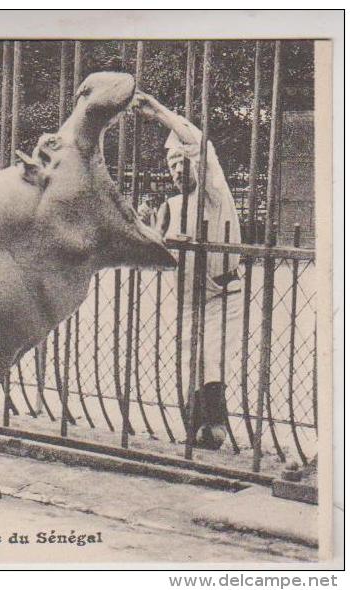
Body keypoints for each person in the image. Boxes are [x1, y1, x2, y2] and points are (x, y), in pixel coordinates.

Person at [132, 90, 243, 450]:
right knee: (187, 359)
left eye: (184, 162)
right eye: (172, 164)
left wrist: (161, 114)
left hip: (221, 292)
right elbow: (153, 249)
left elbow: (202, 149)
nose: (178, 170)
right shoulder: (173, 204)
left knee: (212, 356)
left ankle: (215, 426)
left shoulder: (216, 194)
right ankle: (195, 428)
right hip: (186, 295)